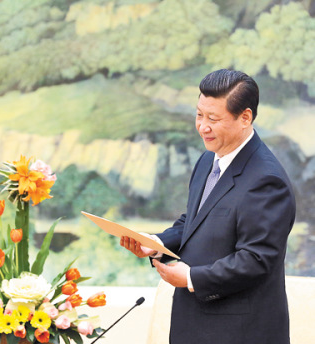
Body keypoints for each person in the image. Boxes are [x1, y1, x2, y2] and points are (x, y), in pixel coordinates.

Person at [121, 69, 295, 344]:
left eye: (213, 119)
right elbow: (195, 221)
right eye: (199, 115)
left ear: (245, 118)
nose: (203, 126)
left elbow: (256, 259)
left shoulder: (266, 179)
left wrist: (191, 277)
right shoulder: (208, 159)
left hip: (239, 333)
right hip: (193, 325)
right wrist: (155, 242)